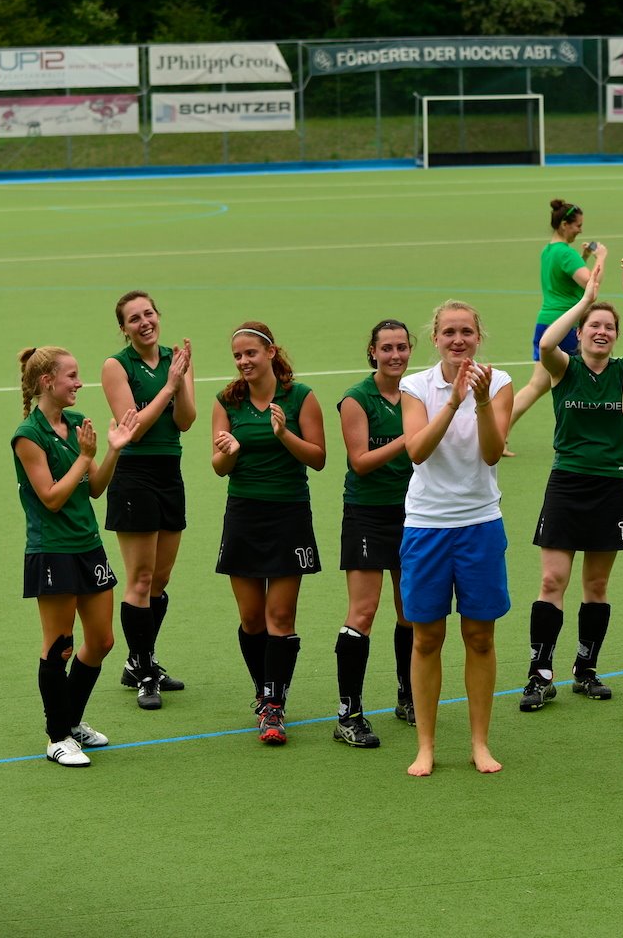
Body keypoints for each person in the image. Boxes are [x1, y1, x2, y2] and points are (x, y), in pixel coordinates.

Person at [520, 258, 623, 710]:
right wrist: (585, 301)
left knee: (596, 585)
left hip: (612, 486)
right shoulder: (565, 368)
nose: (601, 332)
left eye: (608, 328)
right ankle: (540, 674)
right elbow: (546, 342)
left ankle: (586, 669)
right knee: (552, 579)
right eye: (594, 326)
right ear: (580, 333)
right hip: (567, 484)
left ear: (617, 336)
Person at [399, 300, 515, 776]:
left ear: (478, 337)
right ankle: (426, 746)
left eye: (466, 331)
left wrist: (481, 400)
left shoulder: (499, 382)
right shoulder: (416, 386)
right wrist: (453, 400)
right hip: (426, 525)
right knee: (426, 637)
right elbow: (417, 450)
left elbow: (492, 453)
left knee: (480, 637)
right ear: (436, 338)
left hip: (480, 523)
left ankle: (479, 743)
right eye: (449, 332)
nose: (458, 340)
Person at [14, 347, 136, 767]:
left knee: (102, 640)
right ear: (47, 381)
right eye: (71, 376)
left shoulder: (76, 424)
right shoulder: (28, 436)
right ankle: (57, 736)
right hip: (53, 550)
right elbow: (50, 497)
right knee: (59, 646)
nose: (79, 383)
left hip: (88, 546)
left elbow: (95, 488)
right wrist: (84, 457)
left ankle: (71, 721)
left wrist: (113, 449)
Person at [210, 322, 327, 746]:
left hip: (288, 515)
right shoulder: (227, 401)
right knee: (251, 618)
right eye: (237, 356)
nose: (243, 361)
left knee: (280, 617)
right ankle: (265, 691)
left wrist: (283, 434)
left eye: (251, 353)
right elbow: (218, 466)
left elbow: (318, 458)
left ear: (271, 353)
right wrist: (229, 454)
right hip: (243, 515)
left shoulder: (301, 397)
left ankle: (274, 705)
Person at [100, 291, 196, 711]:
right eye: (134, 318)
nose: (144, 323)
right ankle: (143, 672)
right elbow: (133, 429)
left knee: (160, 580)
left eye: (149, 314)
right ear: (124, 328)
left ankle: (140, 660)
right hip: (134, 476)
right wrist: (171, 385)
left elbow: (185, 421)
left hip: (169, 472)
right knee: (139, 580)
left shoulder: (176, 359)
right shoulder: (115, 366)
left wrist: (182, 380)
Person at [332, 319, 417, 749]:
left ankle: (408, 696)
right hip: (367, 513)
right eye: (387, 348)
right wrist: (409, 438)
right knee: (363, 613)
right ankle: (348, 714)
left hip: (415, 513)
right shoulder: (356, 398)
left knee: (411, 611)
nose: (395, 355)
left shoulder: (417, 393)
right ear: (373, 352)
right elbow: (361, 461)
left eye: (402, 347)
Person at [506, 199, 608, 453]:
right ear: (564, 225)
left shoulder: (549, 251)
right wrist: (601, 257)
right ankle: (605, 436)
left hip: (545, 324)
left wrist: (583, 257)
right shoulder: (565, 253)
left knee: (536, 385)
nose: (580, 231)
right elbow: (592, 286)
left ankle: (499, 432)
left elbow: (565, 280)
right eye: (577, 226)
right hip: (565, 327)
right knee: (591, 379)